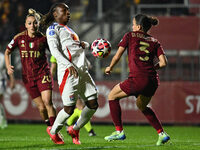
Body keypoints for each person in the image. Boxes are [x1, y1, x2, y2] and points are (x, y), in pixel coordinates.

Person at [104, 14, 170, 146]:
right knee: (142, 105)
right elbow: (163, 63)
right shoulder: (155, 41)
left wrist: (110, 67)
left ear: (138, 26)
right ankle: (162, 134)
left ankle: (119, 132)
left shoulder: (129, 35)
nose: (132, 26)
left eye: (133, 24)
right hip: (152, 80)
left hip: (138, 78)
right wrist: (151, 67)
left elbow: (118, 55)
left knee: (112, 96)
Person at [41, 3, 99, 145]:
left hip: (82, 71)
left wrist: (82, 44)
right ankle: (53, 131)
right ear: (55, 14)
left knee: (93, 104)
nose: (68, 13)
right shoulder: (52, 29)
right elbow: (54, 50)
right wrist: (67, 64)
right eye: (64, 11)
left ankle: (75, 128)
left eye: (68, 11)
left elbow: (71, 47)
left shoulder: (68, 29)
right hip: (68, 72)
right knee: (69, 109)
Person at [4, 9, 57, 129]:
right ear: (25, 25)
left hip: (43, 74)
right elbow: (7, 52)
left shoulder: (44, 39)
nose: (32, 26)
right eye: (29, 23)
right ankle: (49, 126)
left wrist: (56, 65)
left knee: (47, 101)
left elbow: (55, 52)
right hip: (28, 77)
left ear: (38, 24)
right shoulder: (19, 38)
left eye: (35, 23)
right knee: (42, 107)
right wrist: (8, 66)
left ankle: (55, 131)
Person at [50, 55, 96, 137]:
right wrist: (50, 80)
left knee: (81, 107)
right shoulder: (56, 51)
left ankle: (69, 124)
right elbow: (53, 68)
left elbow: (81, 57)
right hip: (69, 81)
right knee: (78, 108)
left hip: (80, 78)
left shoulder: (72, 46)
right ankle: (87, 130)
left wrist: (87, 64)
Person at [0, 52, 15, 129]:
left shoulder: (2, 57)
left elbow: (8, 68)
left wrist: (12, 80)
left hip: (1, 81)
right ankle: (3, 120)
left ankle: (2, 120)